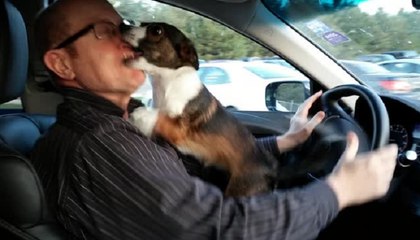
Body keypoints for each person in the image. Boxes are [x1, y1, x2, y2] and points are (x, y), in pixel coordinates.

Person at [31, 0, 398, 239]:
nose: (129, 41)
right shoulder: (100, 142)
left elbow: (194, 166)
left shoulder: (122, 125)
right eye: (106, 31)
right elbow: (222, 229)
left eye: (123, 25)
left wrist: (281, 143)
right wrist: (339, 192)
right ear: (61, 63)